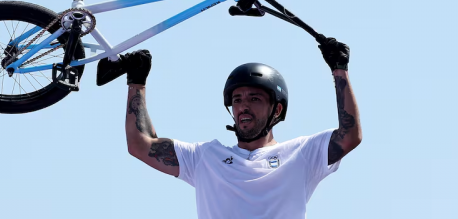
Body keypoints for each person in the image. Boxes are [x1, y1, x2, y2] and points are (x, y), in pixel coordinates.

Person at [120, 37, 361, 219]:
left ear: (276, 111)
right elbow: (141, 145)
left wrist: (339, 69)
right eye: (237, 100)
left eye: (254, 99)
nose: (243, 106)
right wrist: (137, 81)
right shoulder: (204, 157)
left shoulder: (302, 153)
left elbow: (349, 136)